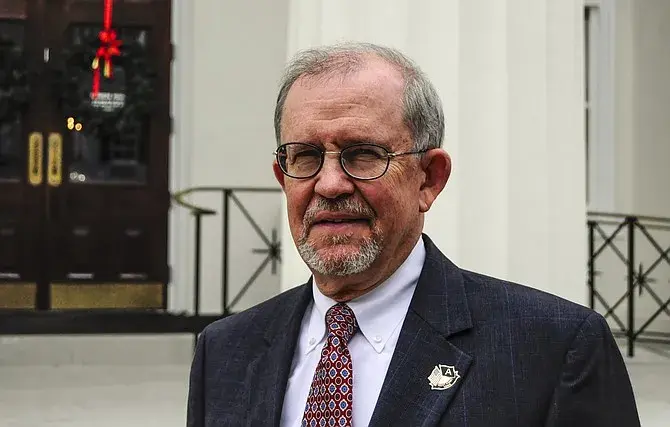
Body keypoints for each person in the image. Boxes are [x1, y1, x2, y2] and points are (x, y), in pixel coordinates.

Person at [186, 42, 640, 427]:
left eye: (363, 154)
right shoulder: (224, 351)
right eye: (305, 156)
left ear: (429, 179)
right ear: (283, 178)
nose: (329, 184)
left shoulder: (552, 349)